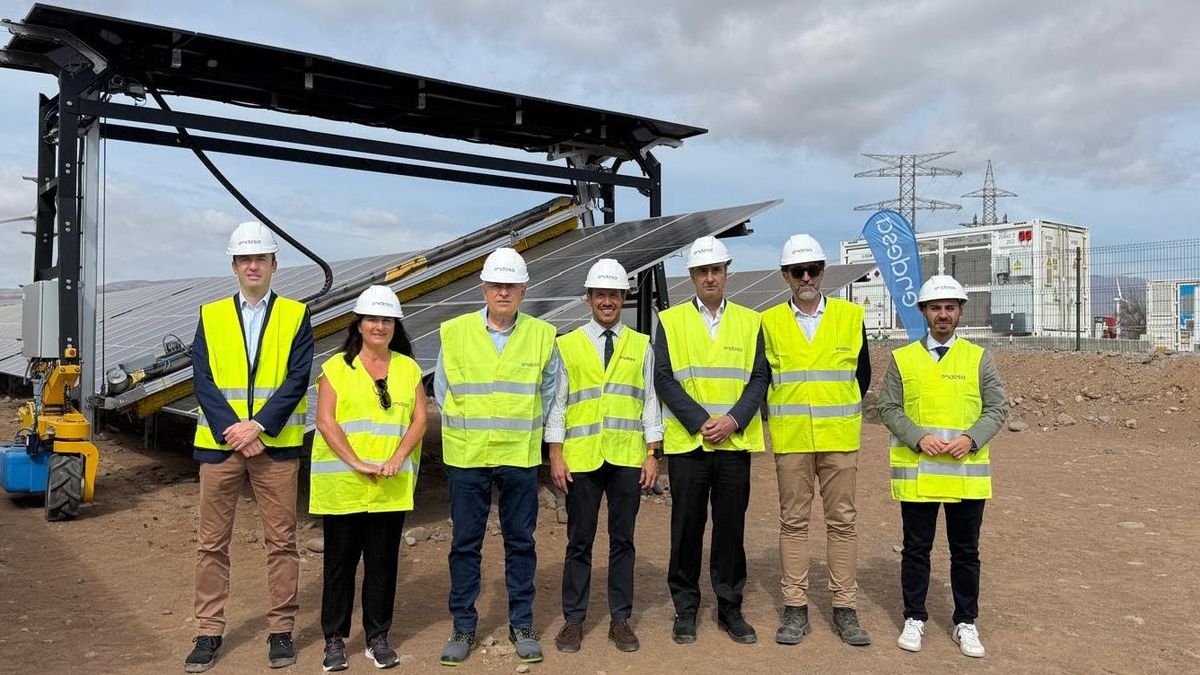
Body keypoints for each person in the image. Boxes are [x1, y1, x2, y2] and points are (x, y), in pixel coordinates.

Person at [186, 221, 313, 672]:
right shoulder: (211, 313)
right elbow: (202, 379)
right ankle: (208, 631)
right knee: (211, 543)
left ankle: (281, 630)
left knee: (281, 541)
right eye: (245, 259)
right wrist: (233, 430)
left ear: (274, 264)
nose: (253, 265)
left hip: (273, 446)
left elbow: (298, 378)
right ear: (234, 265)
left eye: (260, 258)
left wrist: (258, 426)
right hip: (221, 447)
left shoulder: (296, 315)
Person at [434, 247, 560, 667]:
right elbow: (443, 392)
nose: (503, 292)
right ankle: (463, 628)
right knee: (465, 544)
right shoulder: (453, 332)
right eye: (496, 285)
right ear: (484, 289)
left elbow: (551, 393)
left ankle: (521, 623)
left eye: (510, 285)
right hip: (466, 456)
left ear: (523, 290)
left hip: (519, 456)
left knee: (520, 543)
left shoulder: (543, 335)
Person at [877, 275, 1009, 659]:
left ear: (960, 312)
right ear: (923, 312)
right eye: (936, 307)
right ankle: (914, 617)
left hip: (965, 475)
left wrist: (971, 439)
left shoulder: (979, 358)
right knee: (916, 550)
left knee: (965, 552)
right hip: (918, 474)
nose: (943, 314)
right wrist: (917, 437)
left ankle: (965, 621)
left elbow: (997, 407)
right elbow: (888, 407)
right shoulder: (903, 360)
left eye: (950, 307)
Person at [655, 236, 769, 645]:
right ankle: (685, 609)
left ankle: (729, 607)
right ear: (691, 277)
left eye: (715, 270)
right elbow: (664, 377)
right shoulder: (669, 321)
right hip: (690, 445)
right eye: (702, 271)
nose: (709, 277)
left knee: (730, 529)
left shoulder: (751, 321)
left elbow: (759, 377)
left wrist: (734, 421)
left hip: (733, 445)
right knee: (685, 528)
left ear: (726, 272)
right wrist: (702, 421)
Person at [546, 259, 663, 654]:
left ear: (624, 298)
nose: (607, 301)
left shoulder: (641, 344)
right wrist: (556, 454)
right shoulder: (566, 345)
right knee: (578, 541)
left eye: (614, 294)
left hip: (627, 458)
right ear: (589, 299)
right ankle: (573, 621)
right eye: (600, 295)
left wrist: (653, 453)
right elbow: (558, 405)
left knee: (623, 541)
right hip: (581, 460)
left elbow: (649, 402)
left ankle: (620, 619)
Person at [761, 234, 872, 647]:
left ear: (823, 272)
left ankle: (845, 609)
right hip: (792, 440)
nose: (805, 277)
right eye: (797, 271)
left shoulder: (849, 315)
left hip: (839, 438)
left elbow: (862, 377)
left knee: (842, 522)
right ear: (785, 276)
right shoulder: (769, 323)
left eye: (812, 270)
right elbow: (764, 377)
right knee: (793, 523)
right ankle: (795, 610)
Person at [311, 286, 427, 672]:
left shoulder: (408, 368)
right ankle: (334, 639)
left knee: (382, 564)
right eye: (373, 319)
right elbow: (325, 422)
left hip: (388, 488)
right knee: (339, 565)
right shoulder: (335, 369)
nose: (380, 326)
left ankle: (378, 636)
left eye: (387, 320)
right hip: (344, 487)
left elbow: (419, 421)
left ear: (395, 326)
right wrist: (357, 462)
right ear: (358, 324)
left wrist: (396, 458)